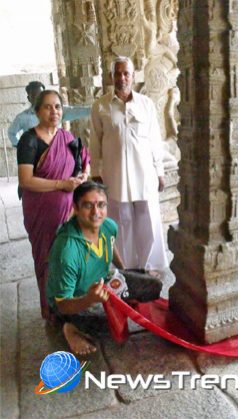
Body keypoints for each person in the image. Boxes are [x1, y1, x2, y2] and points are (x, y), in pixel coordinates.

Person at [47, 182, 161, 355]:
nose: (96, 213)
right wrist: (89, 299)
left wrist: (125, 272)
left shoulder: (108, 226)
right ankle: (69, 327)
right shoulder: (67, 251)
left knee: (154, 286)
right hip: (74, 300)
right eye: (87, 206)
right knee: (107, 326)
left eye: (101, 205)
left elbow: (111, 245)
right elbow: (62, 304)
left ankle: (95, 312)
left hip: (102, 281)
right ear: (76, 209)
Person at [90, 56, 168, 277]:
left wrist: (160, 171)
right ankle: (126, 267)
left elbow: (155, 139)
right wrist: (95, 172)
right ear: (111, 76)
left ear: (133, 76)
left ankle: (148, 264)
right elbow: (94, 141)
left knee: (147, 218)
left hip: (144, 173)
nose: (122, 78)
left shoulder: (146, 104)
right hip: (116, 175)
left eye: (126, 73)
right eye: (117, 73)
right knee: (121, 220)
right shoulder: (101, 106)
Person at [18, 89, 90, 319]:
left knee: (68, 257)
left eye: (57, 106)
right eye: (48, 107)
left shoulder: (67, 139)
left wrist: (82, 178)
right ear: (37, 111)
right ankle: (52, 308)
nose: (54, 111)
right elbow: (26, 180)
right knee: (48, 258)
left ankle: (72, 305)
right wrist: (60, 184)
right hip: (41, 212)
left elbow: (84, 163)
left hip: (68, 210)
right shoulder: (29, 140)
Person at [7, 81, 90, 147]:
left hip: (57, 152)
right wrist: (20, 147)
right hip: (36, 158)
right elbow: (11, 133)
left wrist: (95, 109)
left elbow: (76, 111)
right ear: (29, 98)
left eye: (41, 95)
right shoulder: (22, 117)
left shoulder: (57, 111)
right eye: (35, 96)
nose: (39, 99)